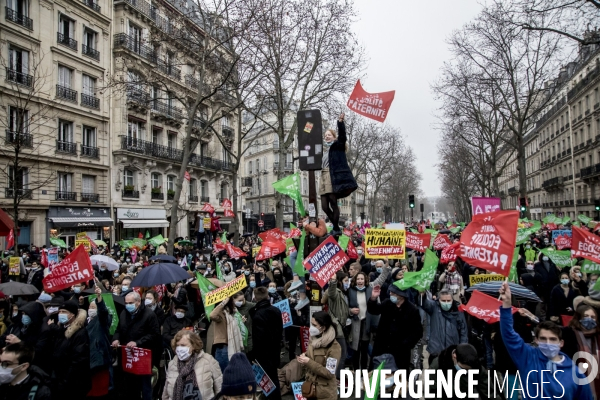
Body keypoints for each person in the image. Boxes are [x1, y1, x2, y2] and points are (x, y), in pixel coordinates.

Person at [499, 281, 592, 400]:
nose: (548, 343)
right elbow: (508, 334)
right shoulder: (528, 357)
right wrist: (506, 304)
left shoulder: (576, 373)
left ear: (561, 343)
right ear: (536, 340)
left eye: (553, 339)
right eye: (543, 338)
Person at [112, 292, 160, 400]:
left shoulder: (149, 315)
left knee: (145, 385)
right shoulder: (124, 313)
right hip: (128, 355)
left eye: (130, 303)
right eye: (126, 303)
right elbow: (119, 329)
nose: (128, 305)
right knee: (130, 385)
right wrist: (116, 339)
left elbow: (154, 335)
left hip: (143, 356)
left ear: (138, 302)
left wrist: (138, 342)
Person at [319, 112, 357, 235]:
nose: (327, 137)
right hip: (323, 177)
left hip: (332, 176)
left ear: (334, 137)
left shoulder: (337, 146)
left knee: (333, 202)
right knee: (324, 206)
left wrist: (340, 123)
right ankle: (336, 227)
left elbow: (343, 137)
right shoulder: (325, 151)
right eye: (325, 136)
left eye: (329, 135)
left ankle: (335, 229)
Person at [367, 285, 422, 370]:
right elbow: (374, 310)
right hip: (382, 347)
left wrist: (405, 344)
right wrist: (373, 298)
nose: (390, 294)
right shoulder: (387, 303)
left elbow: (417, 332)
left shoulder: (412, 310)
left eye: (393, 293)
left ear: (401, 295)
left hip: (400, 352)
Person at [46, 300, 92, 400]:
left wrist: (65, 381)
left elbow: (78, 360)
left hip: (72, 382)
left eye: (64, 312)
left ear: (72, 314)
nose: (60, 314)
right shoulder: (62, 329)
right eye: (60, 312)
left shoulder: (80, 333)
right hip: (58, 378)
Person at [348, 264, 390, 370]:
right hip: (355, 324)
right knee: (355, 350)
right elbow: (346, 307)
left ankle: (364, 372)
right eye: (358, 279)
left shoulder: (370, 287)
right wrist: (351, 311)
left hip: (367, 323)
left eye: (362, 279)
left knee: (365, 348)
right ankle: (356, 371)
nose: (360, 281)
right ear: (355, 280)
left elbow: (381, 279)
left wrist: (387, 267)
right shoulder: (350, 291)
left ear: (365, 280)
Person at [163, 330, 222, 400]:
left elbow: (220, 390)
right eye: (177, 346)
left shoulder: (208, 361)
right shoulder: (172, 364)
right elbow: (165, 395)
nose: (179, 348)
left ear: (194, 345)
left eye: (183, 345)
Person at [296, 311, 341, 400]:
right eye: (311, 324)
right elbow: (311, 355)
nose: (311, 328)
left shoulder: (334, 347)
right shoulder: (313, 339)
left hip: (325, 393)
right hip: (310, 389)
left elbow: (329, 373)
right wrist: (304, 356)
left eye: (314, 325)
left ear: (323, 327)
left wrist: (308, 362)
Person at [419, 288, 468, 365]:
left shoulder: (458, 310)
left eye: (448, 301)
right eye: (443, 301)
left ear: (452, 300)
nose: (446, 303)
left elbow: (463, 331)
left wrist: (462, 350)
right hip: (436, 352)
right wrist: (423, 295)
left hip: (453, 353)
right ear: (439, 300)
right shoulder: (434, 307)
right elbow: (424, 304)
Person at [250, 287, 283, 400]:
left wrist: (254, 355)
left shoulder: (258, 315)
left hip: (264, 354)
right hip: (275, 350)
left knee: (267, 380)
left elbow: (259, 339)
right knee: (274, 378)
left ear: (255, 297)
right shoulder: (276, 310)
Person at [561, 304, 600, 397]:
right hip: (575, 379)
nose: (590, 319)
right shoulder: (568, 333)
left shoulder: (598, 336)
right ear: (578, 317)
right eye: (586, 316)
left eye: (593, 317)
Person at [86, 285, 113, 398]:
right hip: (87, 358)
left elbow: (103, 313)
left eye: (94, 307)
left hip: (99, 359)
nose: (91, 309)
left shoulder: (102, 320)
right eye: (90, 307)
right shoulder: (84, 321)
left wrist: (99, 298)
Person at [324, 273, 349, 378]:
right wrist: (333, 282)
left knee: (336, 354)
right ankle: (336, 377)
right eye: (346, 280)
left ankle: (333, 376)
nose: (348, 282)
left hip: (340, 327)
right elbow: (331, 292)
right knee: (341, 354)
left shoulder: (343, 293)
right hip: (336, 328)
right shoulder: (335, 292)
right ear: (340, 281)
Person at [209, 297, 244, 372]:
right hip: (222, 346)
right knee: (223, 372)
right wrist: (223, 303)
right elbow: (212, 315)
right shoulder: (221, 313)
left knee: (228, 372)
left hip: (228, 346)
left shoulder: (232, 313)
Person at [232, 291, 255, 356]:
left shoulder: (251, 305)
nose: (242, 301)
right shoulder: (231, 309)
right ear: (233, 300)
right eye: (240, 300)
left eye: (243, 299)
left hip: (249, 335)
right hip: (237, 337)